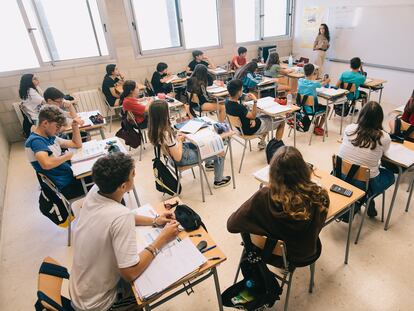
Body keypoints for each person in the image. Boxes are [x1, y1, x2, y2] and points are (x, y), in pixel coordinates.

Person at [69, 152, 180, 311]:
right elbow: (130, 272)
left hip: (82, 289)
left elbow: (123, 216)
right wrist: (162, 238)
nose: (134, 176)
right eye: (132, 175)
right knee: (154, 283)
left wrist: (155, 220)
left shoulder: (96, 191)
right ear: (123, 186)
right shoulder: (120, 216)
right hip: (99, 305)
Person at [227, 146, 329, 266]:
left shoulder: (263, 196)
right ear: (304, 170)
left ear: (273, 173)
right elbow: (319, 225)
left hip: (269, 254)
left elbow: (231, 225)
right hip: (304, 255)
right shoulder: (319, 195)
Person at [148, 100, 231, 188]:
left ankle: (209, 163)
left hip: (175, 155)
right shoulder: (166, 134)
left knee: (205, 143)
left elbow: (171, 146)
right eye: (167, 110)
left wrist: (178, 138)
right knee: (219, 152)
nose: (169, 112)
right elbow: (178, 157)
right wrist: (179, 140)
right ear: (163, 115)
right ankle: (219, 180)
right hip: (182, 158)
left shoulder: (155, 129)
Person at [338, 101, 395, 217]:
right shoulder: (384, 137)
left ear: (361, 114)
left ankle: (366, 198)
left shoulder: (349, 128)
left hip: (341, 176)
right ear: (380, 119)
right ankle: (367, 198)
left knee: (365, 170)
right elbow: (384, 153)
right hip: (364, 182)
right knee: (390, 176)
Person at [25, 105, 85, 200]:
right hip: (66, 187)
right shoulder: (36, 141)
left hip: (70, 178)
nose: (58, 130)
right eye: (57, 127)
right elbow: (46, 164)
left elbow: (76, 144)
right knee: (105, 180)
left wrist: (74, 126)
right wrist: (66, 156)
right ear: (45, 123)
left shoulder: (50, 137)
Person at [225, 79, 285, 149]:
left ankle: (262, 143)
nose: (242, 90)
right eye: (241, 89)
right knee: (281, 121)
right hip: (251, 130)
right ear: (238, 92)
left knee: (265, 116)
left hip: (242, 128)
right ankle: (277, 147)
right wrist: (255, 101)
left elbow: (246, 115)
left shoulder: (227, 103)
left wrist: (253, 118)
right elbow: (252, 116)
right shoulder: (239, 107)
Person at [297, 63, 330, 136]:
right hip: (312, 110)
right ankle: (318, 127)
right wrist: (327, 81)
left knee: (318, 105)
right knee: (328, 108)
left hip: (302, 108)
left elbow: (312, 82)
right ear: (313, 72)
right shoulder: (314, 84)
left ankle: (316, 126)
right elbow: (322, 84)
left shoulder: (300, 80)